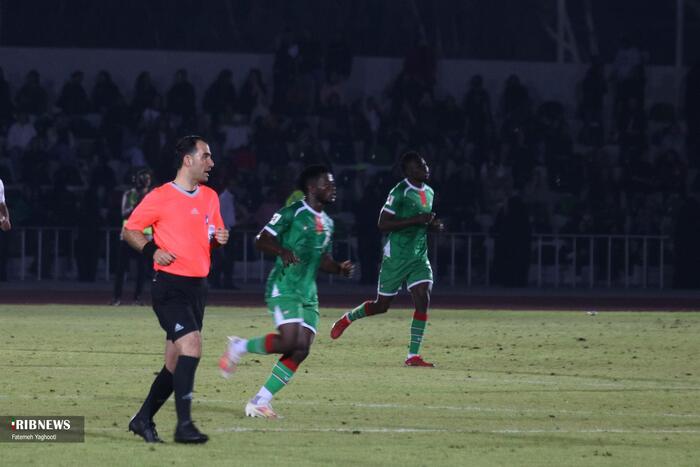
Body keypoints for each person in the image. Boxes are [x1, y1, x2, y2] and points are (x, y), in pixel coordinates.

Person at [219, 165, 353, 419]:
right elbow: (261, 239)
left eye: (333, 184)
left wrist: (338, 268)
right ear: (312, 188)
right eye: (327, 184)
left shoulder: (328, 223)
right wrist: (281, 250)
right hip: (284, 286)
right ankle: (239, 346)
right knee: (291, 341)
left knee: (301, 349)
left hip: (308, 294)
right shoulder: (292, 212)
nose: (332, 188)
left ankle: (260, 401)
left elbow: (322, 259)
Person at [123, 135, 228, 444]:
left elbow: (208, 238)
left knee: (173, 363)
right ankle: (184, 426)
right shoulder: (160, 196)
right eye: (206, 156)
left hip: (198, 289)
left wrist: (217, 240)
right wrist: (152, 251)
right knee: (192, 345)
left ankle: (142, 419)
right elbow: (129, 229)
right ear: (188, 160)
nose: (211, 163)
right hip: (169, 287)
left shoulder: (210, 197)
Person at [330, 151, 443, 367]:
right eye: (420, 166)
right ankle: (347, 318)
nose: (425, 168)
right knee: (381, 306)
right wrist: (416, 219)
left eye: (425, 164)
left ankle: (412, 356)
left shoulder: (429, 191)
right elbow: (382, 224)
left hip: (419, 255)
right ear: (409, 171)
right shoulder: (399, 191)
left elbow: (423, 222)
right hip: (397, 256)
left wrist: (432, 226)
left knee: (423, 299)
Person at [112, 168, 153, 305]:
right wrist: (138, 204)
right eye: (145, 179)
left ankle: (137, 298)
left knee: (142, 269)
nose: (147, 181)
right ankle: (117, 298)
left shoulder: (152, 196)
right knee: (121, 268)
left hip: (145, 237)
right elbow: (124, 213)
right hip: (128, 236)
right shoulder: (130, 194)